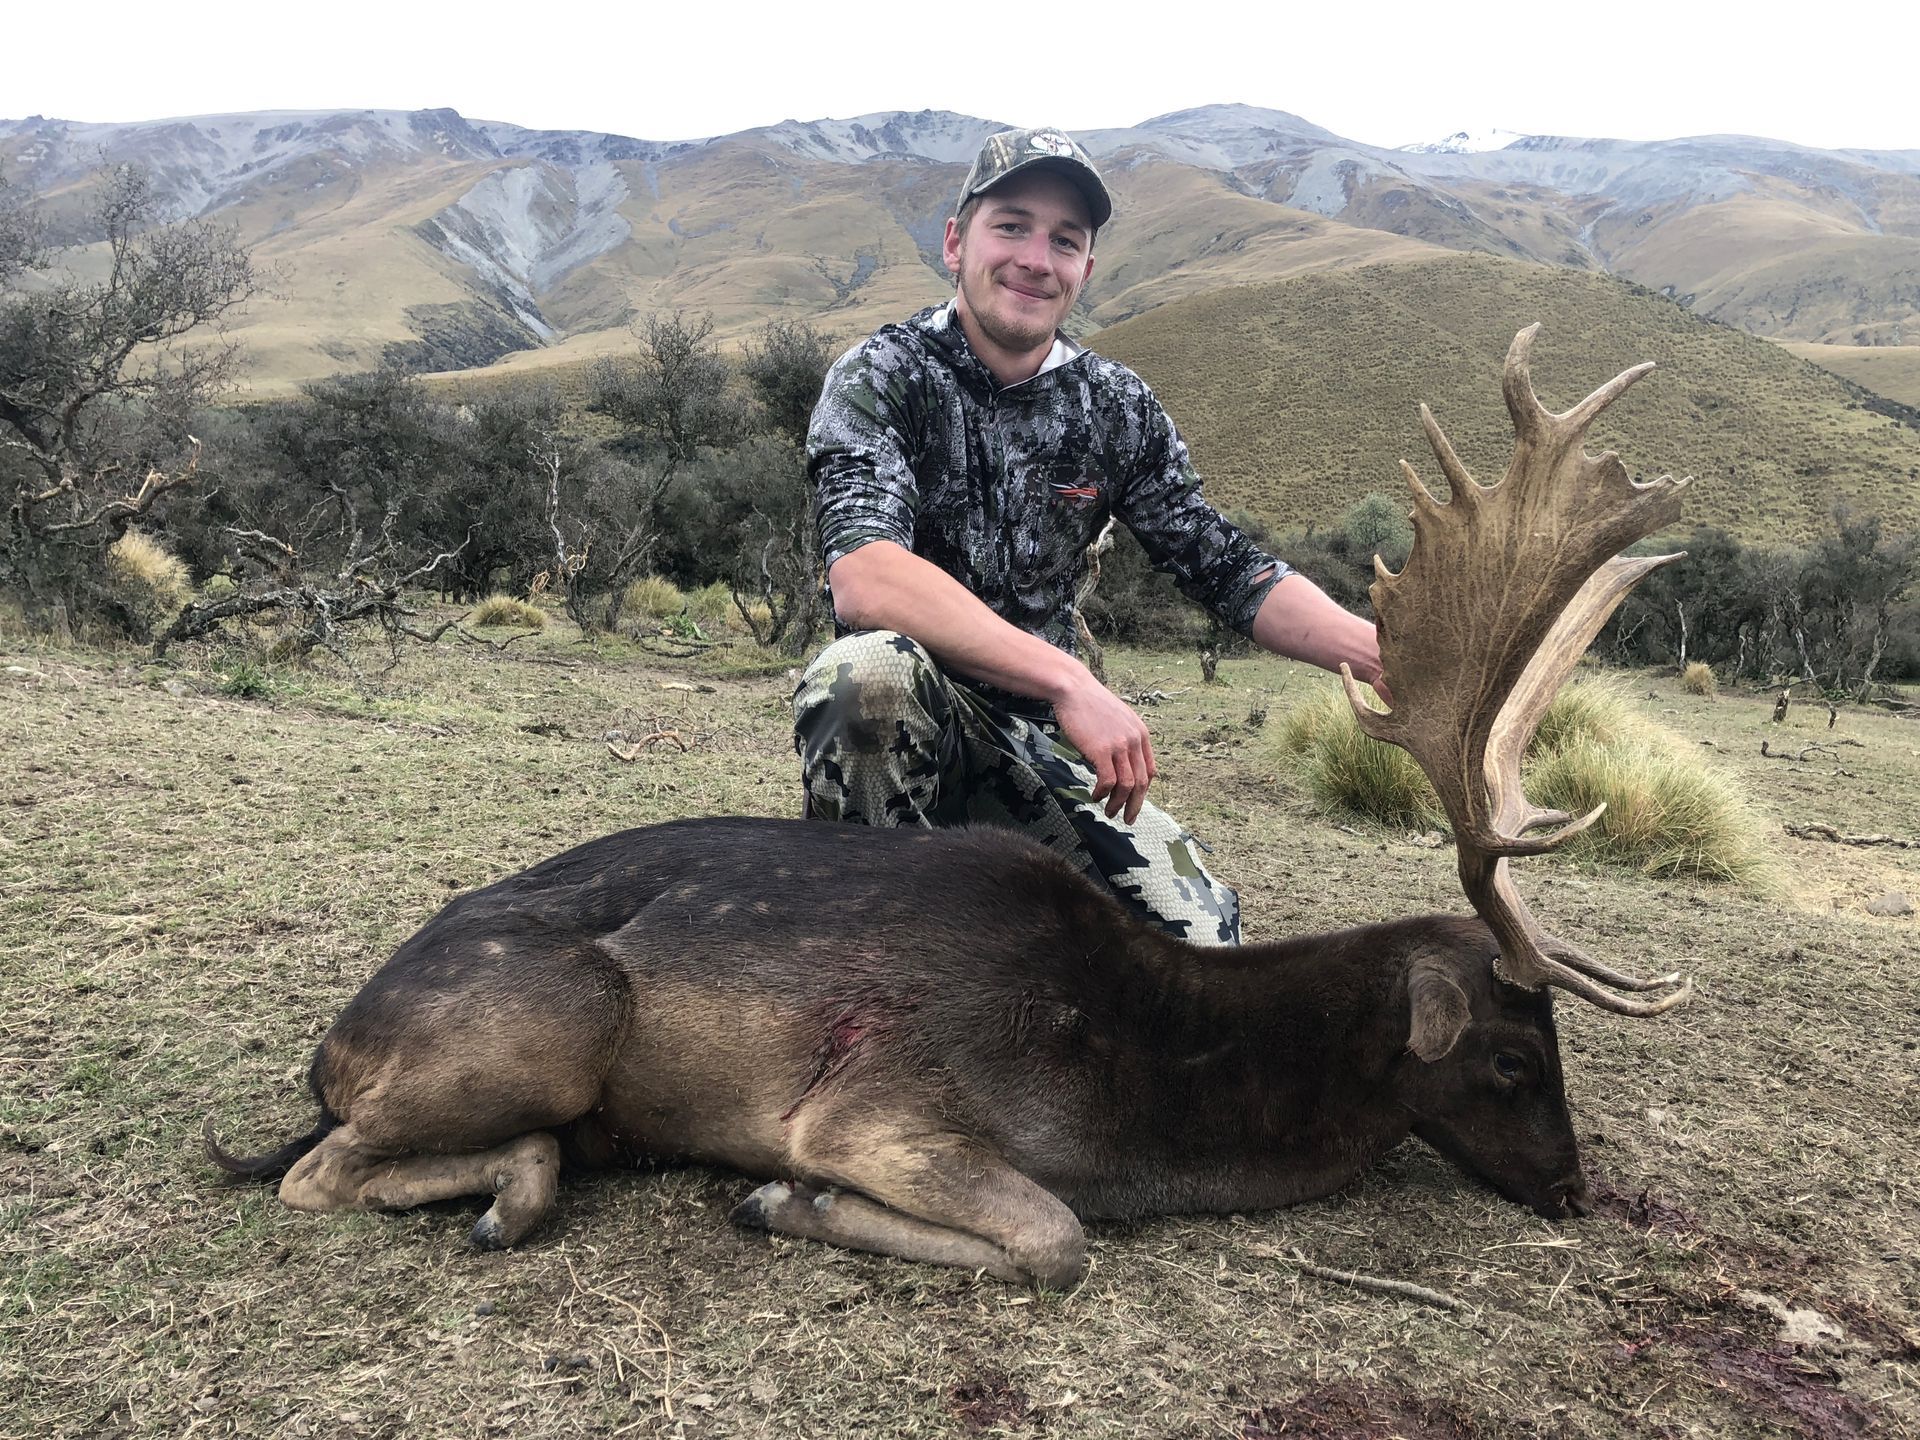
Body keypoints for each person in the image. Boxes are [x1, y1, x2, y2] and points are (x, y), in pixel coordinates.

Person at [794, 126, 1387, 945]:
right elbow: (865, 576)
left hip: (1042, 755)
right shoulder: (884, 375)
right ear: (956, 242)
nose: (1036, 259)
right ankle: (864, 957)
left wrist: (1382, 656)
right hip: (914, 730)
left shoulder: (1115, 405)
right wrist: (1070, 680)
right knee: (865, 674)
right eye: (1011, 227)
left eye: (1064, 241)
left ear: (1086, 270)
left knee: (1200, 947)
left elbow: (1224, 565)